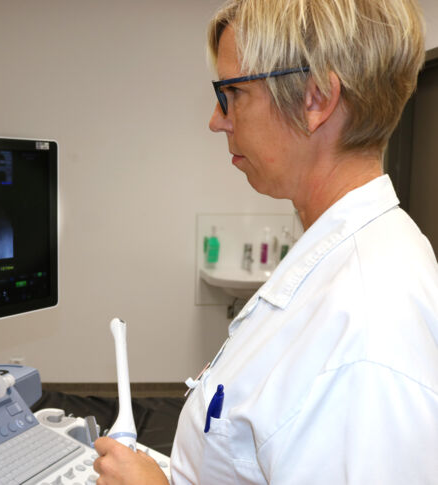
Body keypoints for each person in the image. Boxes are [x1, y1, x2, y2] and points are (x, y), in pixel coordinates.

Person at [93, 0, 438, 483]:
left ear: (315, 99)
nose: (217, 119)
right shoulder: (337, 260)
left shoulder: (368, 323)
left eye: (231, 93)